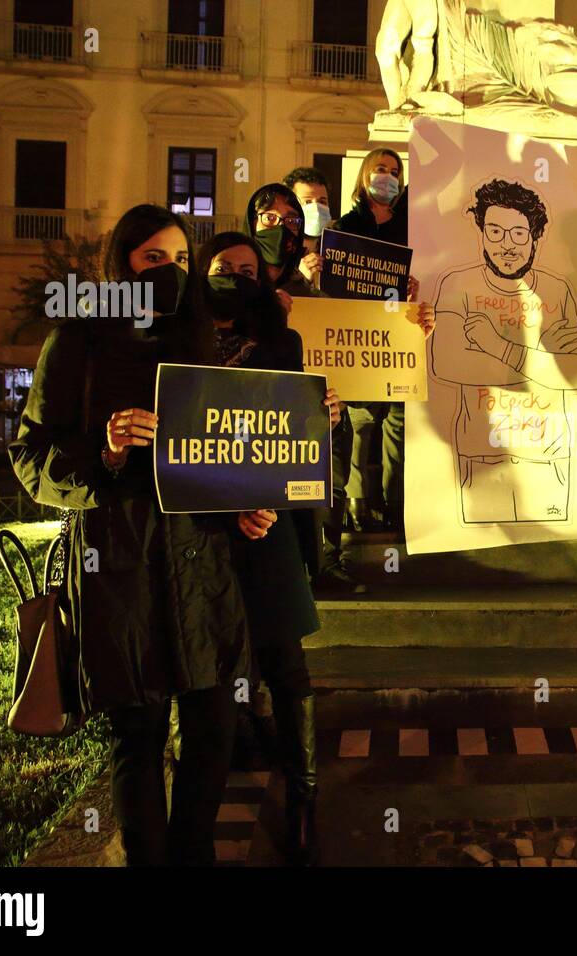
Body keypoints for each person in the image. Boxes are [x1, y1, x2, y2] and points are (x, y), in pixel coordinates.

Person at [9, 204, 266, 866]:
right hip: (118, 568)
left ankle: (193, 854)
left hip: (201, 569)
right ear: (120, 264)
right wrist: (107, 452)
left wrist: (244, 506)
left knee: (214, 724)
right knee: (140, 734)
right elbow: (31, 457)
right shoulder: (77, 343)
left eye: (182, 261)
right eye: (155, 260)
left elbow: (222, 455)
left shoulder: (197, 345)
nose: (171, 274)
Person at [196, 230, 343, 863]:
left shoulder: (282, 343)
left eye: (248, 268)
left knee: (285, 661)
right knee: (208, 661)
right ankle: (220, 764)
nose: (235, 276)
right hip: (198, 527)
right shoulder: (173, 344)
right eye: (223, 267)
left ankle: (303, 798)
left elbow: (292, 434)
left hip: (266, 521)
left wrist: (323, 415)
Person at [430, 178, 577, 523]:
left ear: (535, 237)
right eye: (495, 232)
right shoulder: (457, 284)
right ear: (482, 233)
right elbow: (447, 363)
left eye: (519, 233)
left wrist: (494, 345)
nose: (507, 245)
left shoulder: (557, 289)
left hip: (547, 453)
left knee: (549, 562)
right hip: (482, 451)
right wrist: (545, 360)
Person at [244, 181, 363, 596]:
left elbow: (349, 340)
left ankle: (322, 562)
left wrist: (410, 319)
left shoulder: (309, 289)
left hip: (310, 420)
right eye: (270, 218)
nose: (282, 229)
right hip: (252, 425)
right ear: (253, 222)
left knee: (324, 484)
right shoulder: (236, 284)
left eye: (291, 220)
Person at [332, 148, 416, 533]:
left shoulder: (410, 225)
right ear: (365, 176)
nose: (388, 176)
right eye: (380, 169)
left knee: (397, 420)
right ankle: (356, 501)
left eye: (394, 170)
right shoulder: (345, 226)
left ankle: (392, 500)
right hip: (360, 335)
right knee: (361, 419)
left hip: (400, 331)